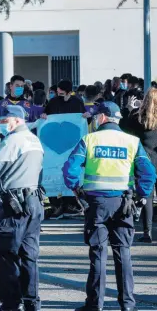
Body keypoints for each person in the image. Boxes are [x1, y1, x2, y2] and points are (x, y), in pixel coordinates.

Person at [62, 101, 156, 311]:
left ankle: (95, 304)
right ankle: (128, 304)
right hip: (124, 203)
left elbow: (70, 168)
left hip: (96, 204)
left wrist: (77, 190)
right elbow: (149, 172)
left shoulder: (90, 139)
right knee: (123, 253)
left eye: (96, 116)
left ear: (102, 118)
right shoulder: (132, 142)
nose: (94, 120)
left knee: (98, 253)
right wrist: (141, 196)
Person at [0, 105, 45, 311]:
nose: (2, 124)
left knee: (7, 253)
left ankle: (10, 303)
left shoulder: (12, 141)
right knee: (29, 254)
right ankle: (31, 301)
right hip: (34, 201)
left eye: (4, 121)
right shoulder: (35, 140)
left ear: (16, 120)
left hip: (13, 205)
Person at [42, 79, 88, 220]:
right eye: (57, 93)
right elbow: (45, 114)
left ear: (69, 92)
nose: (59, 95)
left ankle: (71, 204)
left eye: (62, 93)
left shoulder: (77, 102)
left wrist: (86, 118)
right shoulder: (53, 102)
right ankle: (57, 205)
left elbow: (83, 122)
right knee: (54, 172)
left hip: (72, 144)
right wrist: (44, 116)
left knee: (70, 171)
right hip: (54, 144)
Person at [123, 88, 157, 243]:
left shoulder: (137, 117)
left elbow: (123, 126)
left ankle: (147, 232)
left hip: (145, 161)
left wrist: (129, 109)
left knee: (146, 196)